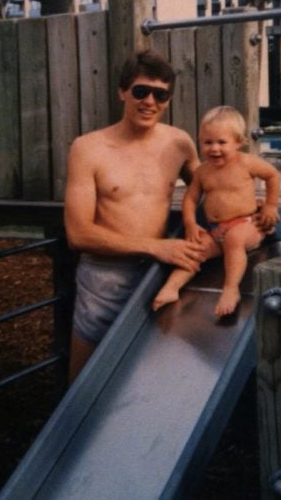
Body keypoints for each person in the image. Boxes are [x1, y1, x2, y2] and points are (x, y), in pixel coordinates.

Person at [64, 49, 207, 382]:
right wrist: (156, 246)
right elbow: (78, 234)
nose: (150, 102)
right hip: (105, 277)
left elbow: (208, 190)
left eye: (161, 94)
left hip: (158, 275)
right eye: (141, 91)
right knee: (86, 380)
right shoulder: (88, 149)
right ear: (122, 91)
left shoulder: (179, 143)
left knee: (149, 375)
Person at [152, 106, 281, 317]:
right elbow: (190, 199)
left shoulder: (246, 162)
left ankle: (231, 289)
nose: (214, 149)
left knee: (234, 240)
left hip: (247, 226)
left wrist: (270, 205)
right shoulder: (203, 171)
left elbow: (273, 176)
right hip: (215, 231)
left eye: (222, 142)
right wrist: (190, 224)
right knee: (194, 250)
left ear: (238, 142)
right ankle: (172, 287)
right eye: (207, 142)